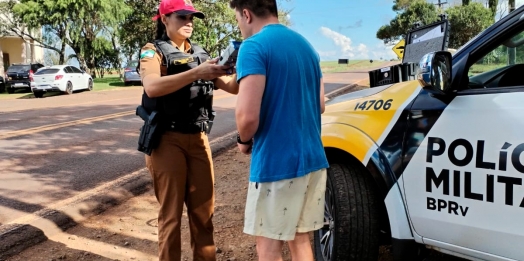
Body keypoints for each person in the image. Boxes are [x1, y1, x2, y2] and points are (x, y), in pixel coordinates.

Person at [138, 0, 238, 260]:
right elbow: (152, 87)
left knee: (204, 215)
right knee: (171, 218)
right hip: (166, 141)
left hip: (198, 139)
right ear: (165, 20)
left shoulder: (201, 54)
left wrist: (242, 64)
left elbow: (233, 86)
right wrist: (197, 73)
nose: (189, 22)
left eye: (192, 17)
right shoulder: (152, 51)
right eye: (181, 16)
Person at [229, 0, 329, 260]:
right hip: (313, 160)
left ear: (247, 14)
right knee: (300, 239)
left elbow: (247, 116)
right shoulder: (307, 47)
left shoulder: (253, 47)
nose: (239, 25)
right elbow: (319, 105)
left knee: (269, 245)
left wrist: (243, 139)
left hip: (277, 163)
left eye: (238, 18)